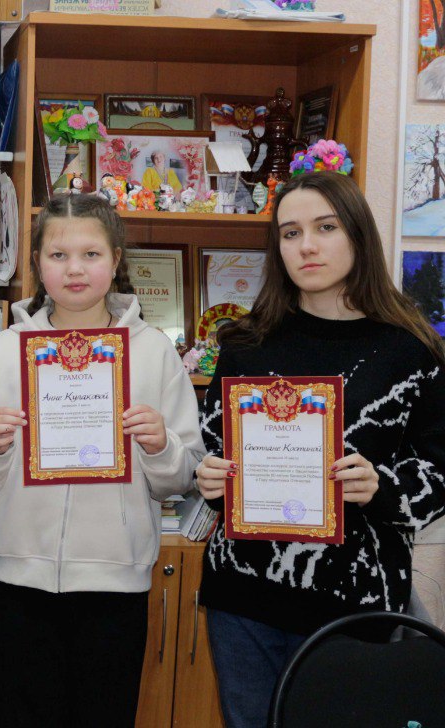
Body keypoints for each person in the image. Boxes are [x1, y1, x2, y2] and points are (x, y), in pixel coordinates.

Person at [192, 171, 445, 728]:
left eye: (325, 228)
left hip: (354, 604)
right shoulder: (245, 345)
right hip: (243, 599)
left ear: (357, 234)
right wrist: (209, 478)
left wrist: (381, 486)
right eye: (290, 233)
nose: (306, 245)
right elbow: (213, 450)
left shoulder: (411, 350)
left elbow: (439, 474)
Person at [0, 193, 203, 727]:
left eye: (91, 254)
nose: (74, 269)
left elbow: (182, 476)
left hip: (116, 580)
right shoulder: (6, 350)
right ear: (37, 263)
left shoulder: (154, 351)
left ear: (116, 261)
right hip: (20, 577)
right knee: (24, 715)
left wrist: (160, 446)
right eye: (58, 255)